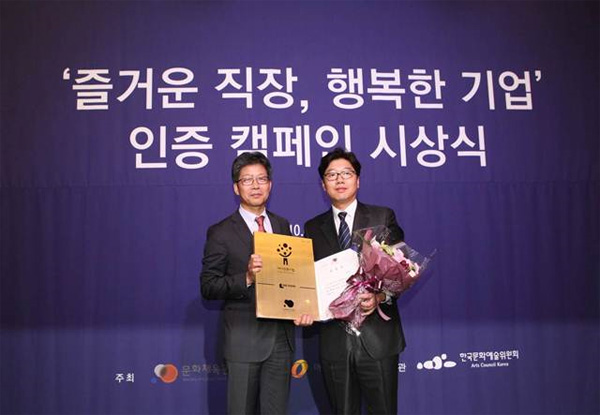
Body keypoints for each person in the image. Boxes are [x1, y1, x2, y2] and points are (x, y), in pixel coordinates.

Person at [201, 152, 311, 415]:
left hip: (281, 341)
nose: (255, 185)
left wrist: (304, 307)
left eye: (261, 179)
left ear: (270, 185)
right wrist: (247, 278)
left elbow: (291, 278)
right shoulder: (221, 232)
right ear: (236, 187)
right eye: (247, 180)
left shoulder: (282, 224)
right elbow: (209, 286)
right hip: (244, 340)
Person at [304, 148, 406, 415]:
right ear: (323, 185)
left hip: (377, 339)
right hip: (334, 341)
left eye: (346, 173)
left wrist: (379, 297)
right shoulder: (312, 227)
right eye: (332, 175)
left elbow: (402, 271)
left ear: (357, 180)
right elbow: (307, 280)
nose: (339, 179)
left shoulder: (382, 217)